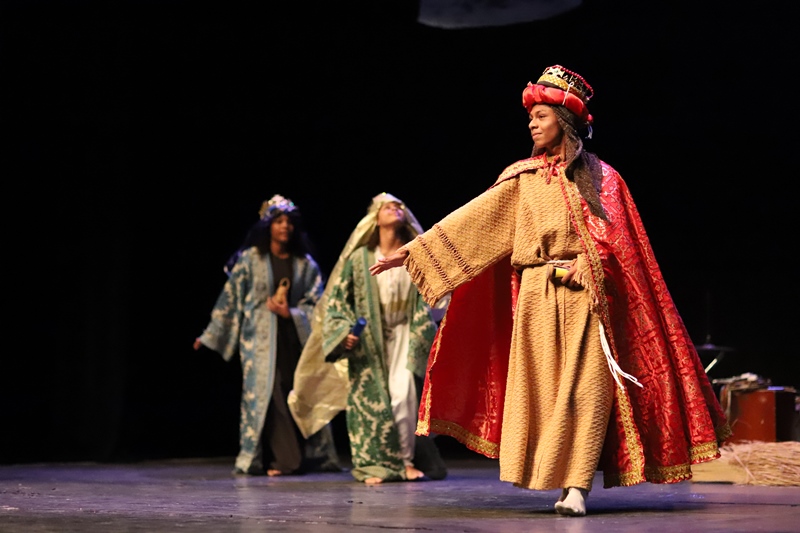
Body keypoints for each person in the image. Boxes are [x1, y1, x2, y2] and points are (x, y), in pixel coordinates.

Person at [369, 65, 731, 515]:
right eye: (530, 118)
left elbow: (623, 243)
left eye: (541, 116)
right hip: (537, 297)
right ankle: (561, 479)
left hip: (589, 300)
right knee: (546, 392)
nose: (532, 125)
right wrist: (411, 252)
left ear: (565, 120)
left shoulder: (604, 179)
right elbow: (471, 224)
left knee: (587, 389)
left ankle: (577, 486)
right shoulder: (522, 178)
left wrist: (591, 261)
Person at [288, 192, 448, 485]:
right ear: (374, 218)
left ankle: (404, 461)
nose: (395, 208)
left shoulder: (414, 255)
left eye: (399, 206)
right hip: (369, 338)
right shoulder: (359, 259)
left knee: (403, 394)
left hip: (404, 331)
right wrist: (345, 333)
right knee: (369, 400)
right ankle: (374, 464)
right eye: (387, 206)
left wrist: (426, 320)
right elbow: (338, 302)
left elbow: (436, 292)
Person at [193, 194, 340, 476]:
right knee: (267, 396)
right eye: (278, 221)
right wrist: (211, 334)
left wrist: (291, 313)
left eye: (289, 222)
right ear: (268, 226)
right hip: (259, 343)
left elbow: (318, 305)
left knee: (293, 393)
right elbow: (231, 298)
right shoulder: (251, 260)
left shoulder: (304, 264)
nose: (285, 226)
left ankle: (304, 458)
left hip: (294, 341)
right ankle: (284, 460)